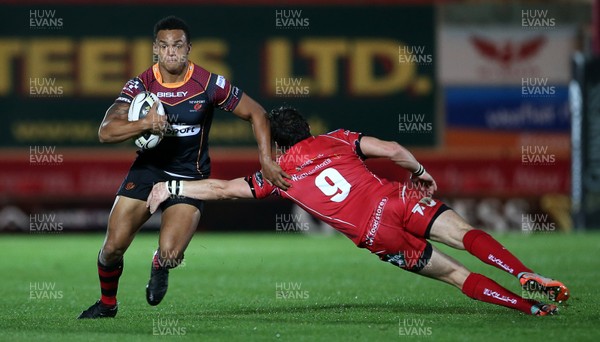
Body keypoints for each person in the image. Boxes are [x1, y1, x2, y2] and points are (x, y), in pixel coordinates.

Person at [147, 105, 570, 316]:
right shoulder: (336, 138)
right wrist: (419, 171)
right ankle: (523, 273)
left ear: (275, 145)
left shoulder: (277, 174)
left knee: (456, 275)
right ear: (308, 131)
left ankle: (529, 308)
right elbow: (391, 150)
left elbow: (220, 190)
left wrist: (172, 186)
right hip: (398, 199)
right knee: (466, 234)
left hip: (376, 236)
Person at [78, 16, 290, 319]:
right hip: (148, 171)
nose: (171, 52)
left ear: (189, 48)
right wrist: (143, 124)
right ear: (155, 49)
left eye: (177, 45)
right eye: (164, 46)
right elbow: (105, 131)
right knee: (112, 248)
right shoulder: (141, 85)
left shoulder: (208, 84)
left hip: (190, 176)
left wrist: (267, 160)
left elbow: (257, 113)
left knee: (171, 254)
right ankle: (107, 304)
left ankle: (159, 264)